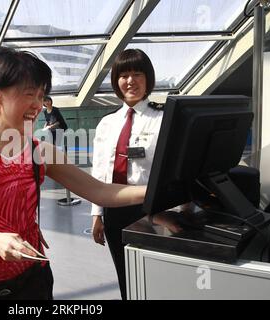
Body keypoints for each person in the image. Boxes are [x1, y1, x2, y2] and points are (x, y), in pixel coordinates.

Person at [0, 47, 146, 300]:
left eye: (41, 95)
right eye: (29, 94)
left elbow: (100, 191)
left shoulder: (41, 152)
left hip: (33, 277)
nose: (37, 105)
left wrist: (156, 190)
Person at [90, 48, 164, 299]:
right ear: (116, 81)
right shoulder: (107, 123)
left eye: (137, 74)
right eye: (124, 75)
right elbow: (100, 171)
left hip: (151, 209)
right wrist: (97, 214)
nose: (130, 81)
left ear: (148, 79)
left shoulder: (162, 119)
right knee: (125, 275)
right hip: (114, 209)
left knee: (153, 276)